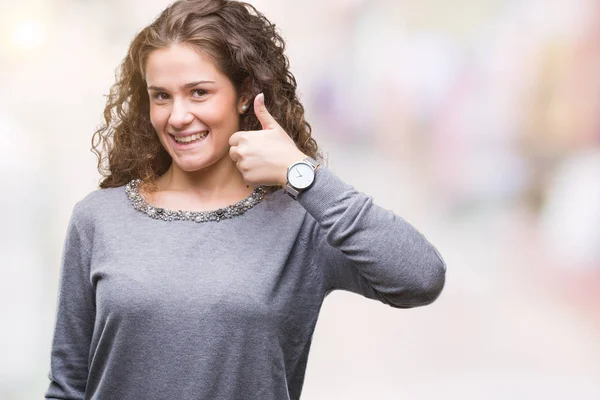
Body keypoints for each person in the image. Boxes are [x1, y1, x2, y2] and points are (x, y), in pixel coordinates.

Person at [44, 0, 446, 399]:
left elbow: (420, 277)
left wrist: (301, 174)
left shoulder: (300, 222)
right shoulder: (98, 219)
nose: (177, 116)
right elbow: (67, 386)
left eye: (199, 92)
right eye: (161, 96)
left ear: (244, 95)